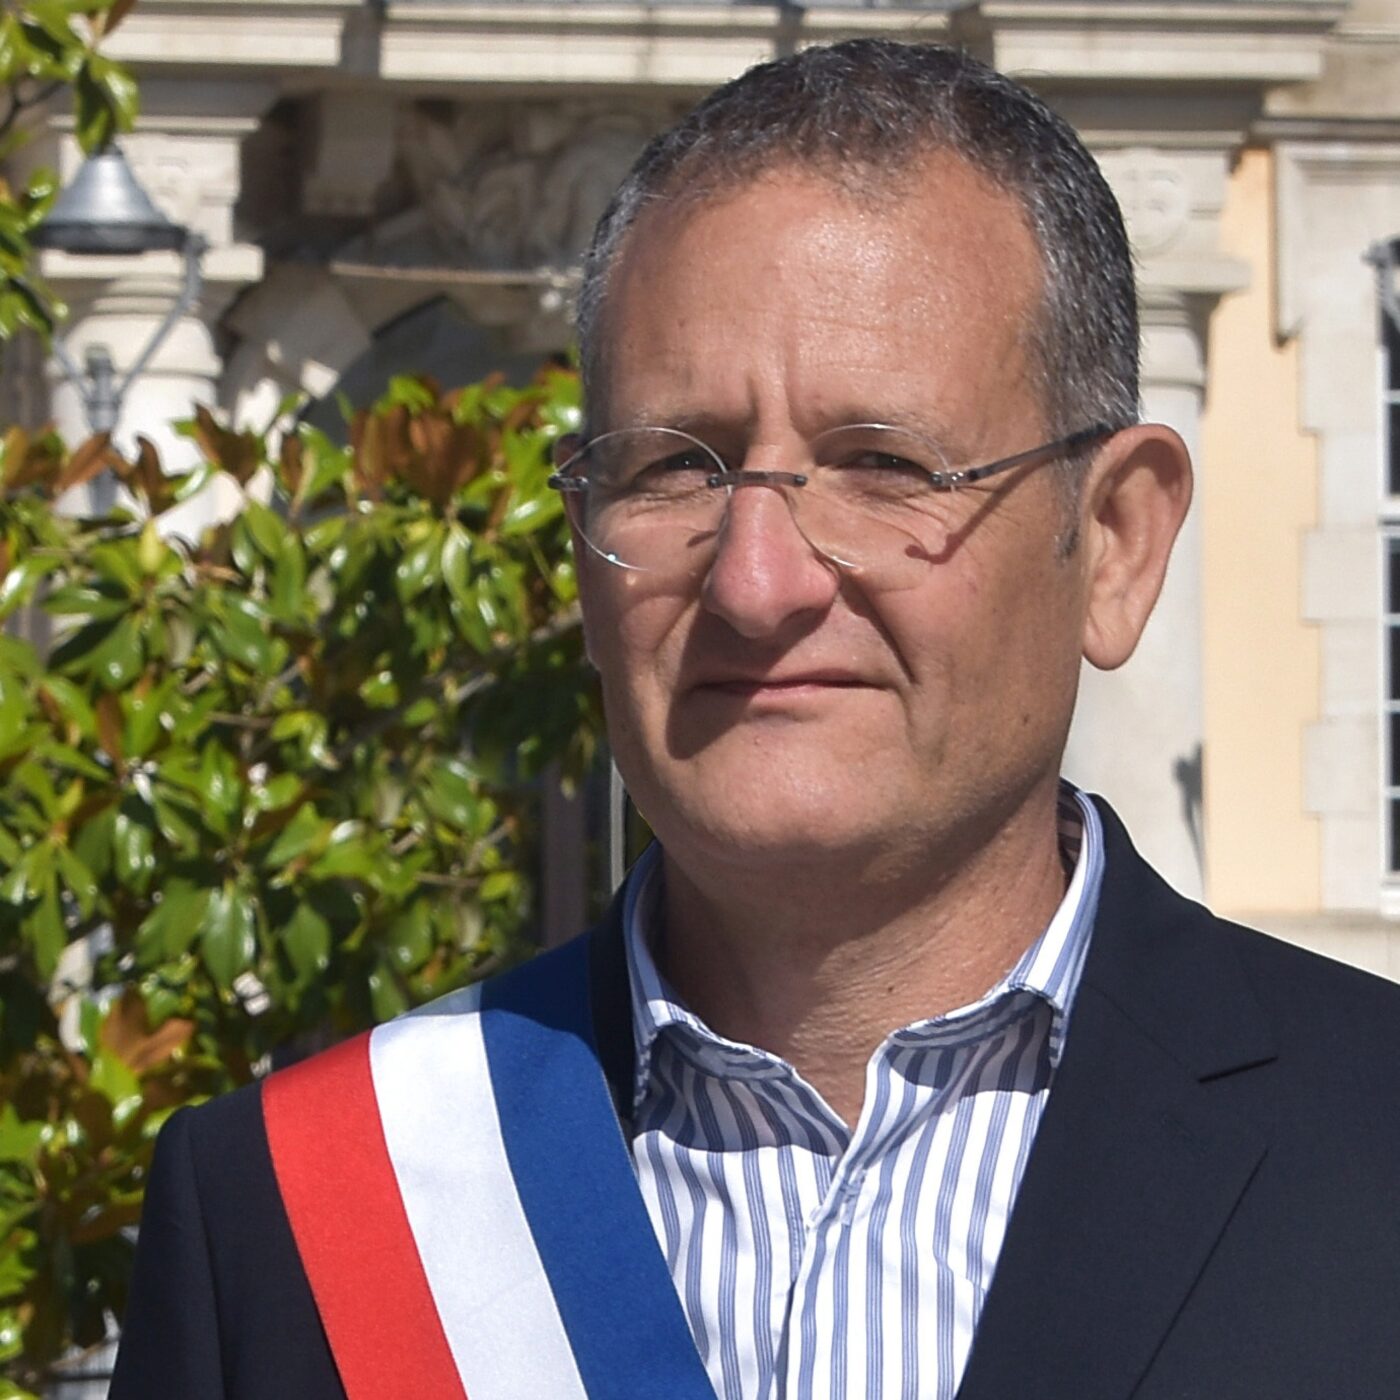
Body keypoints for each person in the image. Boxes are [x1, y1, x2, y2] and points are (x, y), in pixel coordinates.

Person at [110, 39, 1400, 1400]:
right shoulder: (286, 1212)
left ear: (1119, 543)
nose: (755, 581)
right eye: (674, 469)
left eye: (885, 466)